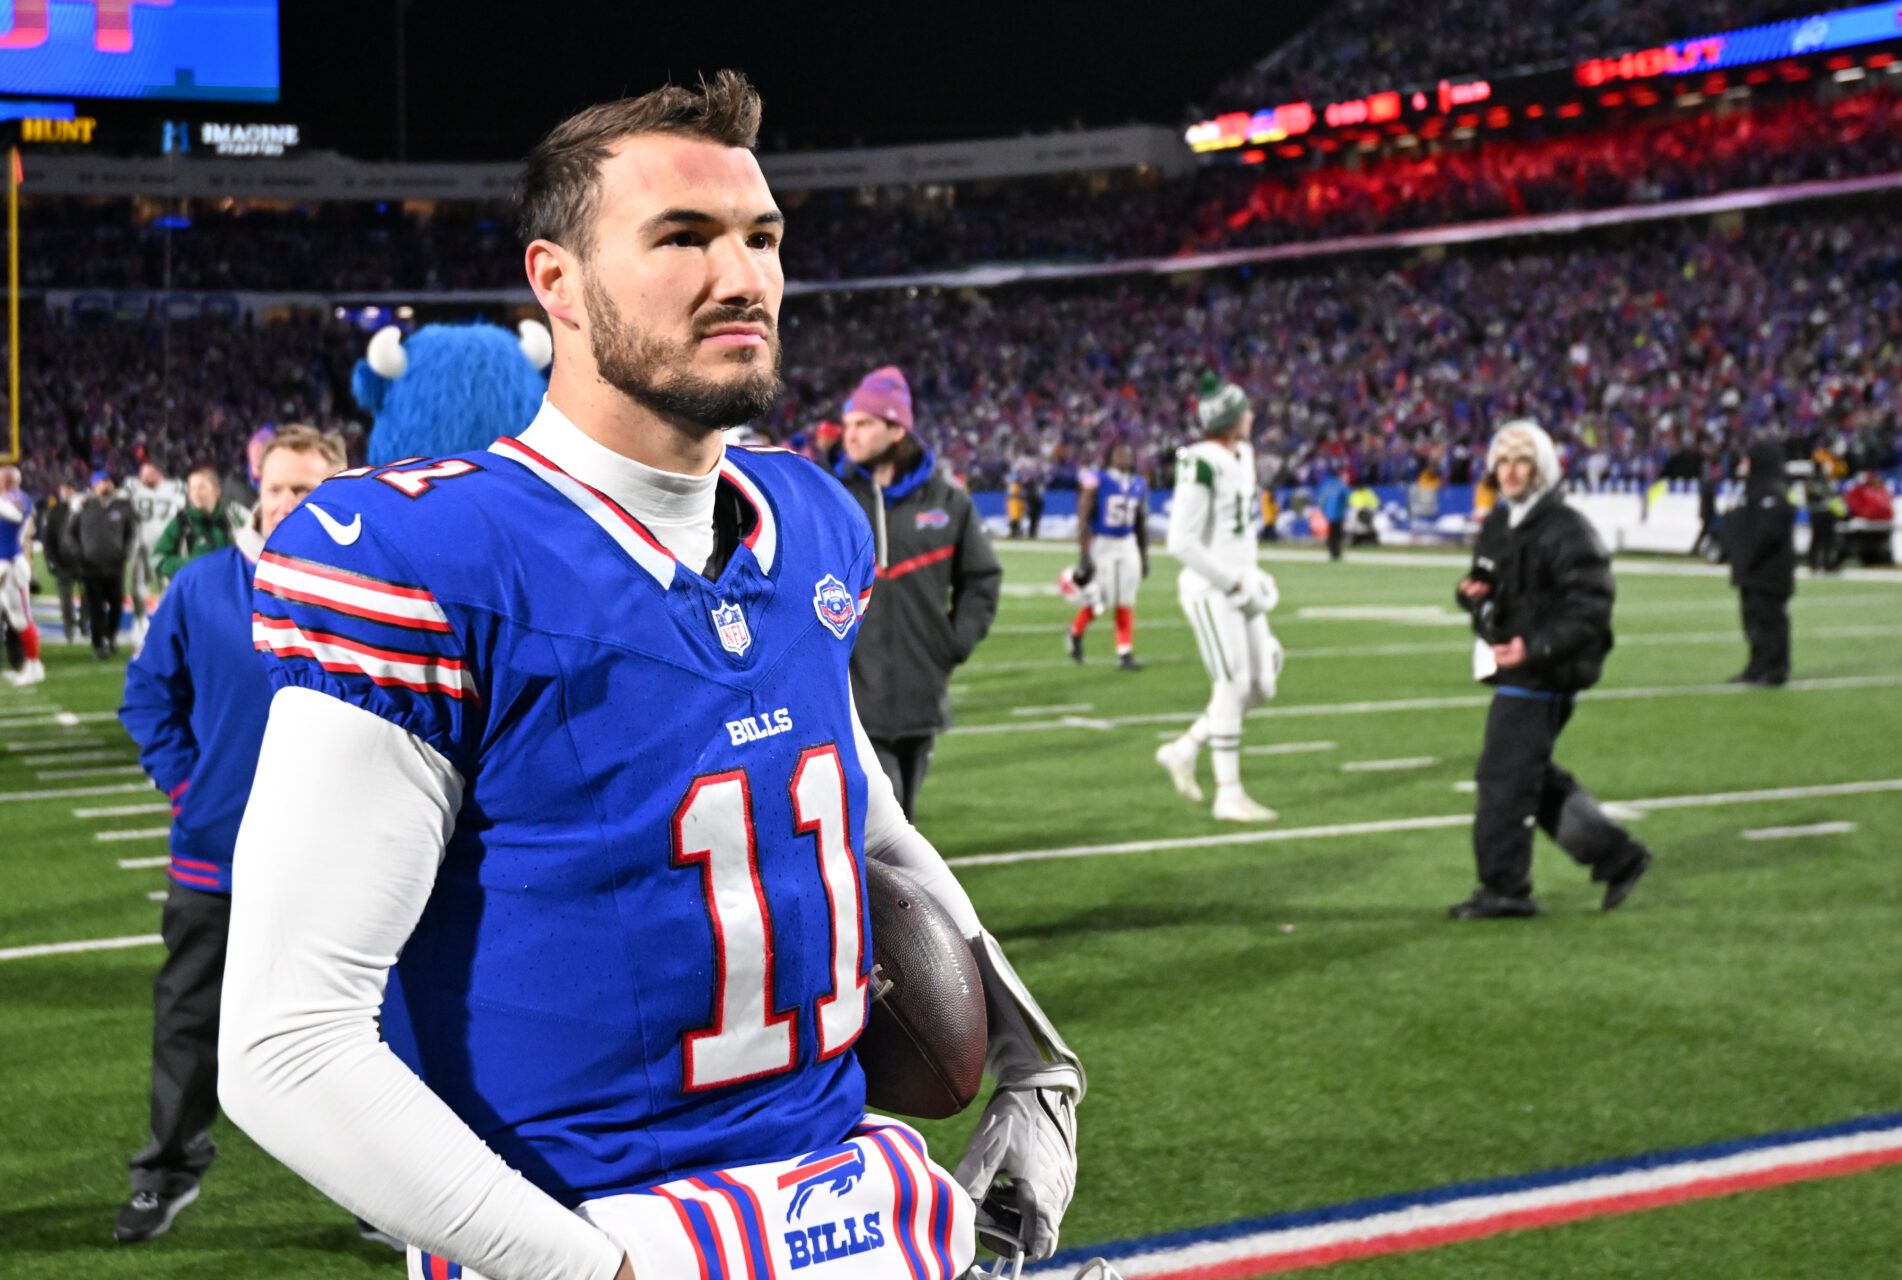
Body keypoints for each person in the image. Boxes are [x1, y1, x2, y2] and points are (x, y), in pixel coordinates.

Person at [219, 74, 1080, 1280]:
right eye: (683, 237)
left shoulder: (812, 520)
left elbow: (865, 822)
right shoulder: (433, 560)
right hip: (601, 1229)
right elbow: (284, 1040)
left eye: (761, 236)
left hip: (855, 1205)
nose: (742, 276)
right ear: (556, 282)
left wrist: (1037, 1058)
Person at [113, 427, 351, 1242]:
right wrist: (193, 794)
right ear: (257, 488)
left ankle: (383, 1197)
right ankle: (166, 1174)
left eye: (308, 490)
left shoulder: (370, 590)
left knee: (361, 1034)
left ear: (340, 490)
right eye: (278, 488)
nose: (288, 504)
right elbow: (146, 698)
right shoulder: (203, 585)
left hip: (340, 862)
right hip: (217, 859)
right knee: (189, 1020)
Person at [1450, 420, 1652, 920]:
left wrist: (1534, 649)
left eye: (1522, 460)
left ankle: (1505, 888)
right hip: (1514, 665)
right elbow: (1487, 581)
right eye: (1502, 461)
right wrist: (1469, 594)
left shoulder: (1566, 528)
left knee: (1502, 776)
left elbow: (1590, 608)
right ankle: (1616, 855)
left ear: (1542, 467)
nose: (1510, 471)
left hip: (1544, 672)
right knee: (1528, 777)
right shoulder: (1501, 523)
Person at [837, 363, 1003, 820]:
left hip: (921, 692)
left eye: (863, 424)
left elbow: (982, 579)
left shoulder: (949, 503)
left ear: (896, 429)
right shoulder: (830, 496)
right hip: (852, 695)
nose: (850, 435)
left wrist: (953, 643)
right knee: (882, 824)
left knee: (904, 814)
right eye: (848, 424)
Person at [1153, 375, 1284, 823]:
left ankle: (1184, 748)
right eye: (1244, 410)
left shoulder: (1242, 454)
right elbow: (1181, 542)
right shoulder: (1201, 462)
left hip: (1241, 584)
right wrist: (1231, 580)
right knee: (1230, 684)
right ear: (1228, 419)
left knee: (1261, 685)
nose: (1251, 415)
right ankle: (1228, 793)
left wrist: (1251, 575)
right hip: (1212, 589)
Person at [1066, 439, 1147, 670]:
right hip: (1103, 542)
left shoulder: (1139, 482)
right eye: (1120, 453)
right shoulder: (1096, 478)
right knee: (1103, 598)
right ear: (1110, 456)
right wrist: (1083, 551)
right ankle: (1075, 632)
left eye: (1128, 453)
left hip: (1128, 542)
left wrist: (1144, 553)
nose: (1125, 457)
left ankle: (1124, 652)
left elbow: (1140, 521)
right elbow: (1083, 514)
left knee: (1127, 598)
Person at [1722, 439, 1794, 686]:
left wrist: (1748, 555)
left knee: (1770, 622)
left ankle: (1775, 669)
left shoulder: (1771, 492)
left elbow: (1769, 533)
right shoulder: (1753, 491)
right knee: (1753, 622)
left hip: (1769, 572)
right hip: (1753, 572)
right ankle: (1757, 666)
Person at [64, 469, 136, 660]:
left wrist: (125, 552)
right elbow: (70, 533)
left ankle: (111, 635)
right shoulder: (83, 506)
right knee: (95, 607)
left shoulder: (123, 506)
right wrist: (78, 554)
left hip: (115, 564)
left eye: (109, 481)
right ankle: (98, 644)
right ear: (94, 486)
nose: (107, 485)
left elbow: (131, 532)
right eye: (102, 482)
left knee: (116, 604)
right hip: (90, 566)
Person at [124, 461, 187, 648]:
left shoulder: (174, 487)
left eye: (150, 472)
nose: (146, 476)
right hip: (142, 544)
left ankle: (165, 625)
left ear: (160, 473)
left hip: (167, 546)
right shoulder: (132, 487)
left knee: (167, 588)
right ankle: (140, 621)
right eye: (143, 473)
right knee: (136, 586)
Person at [0, 466, 45, 686]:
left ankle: (34, 665)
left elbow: (16, 515)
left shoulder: (18, 497)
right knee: (16, 620)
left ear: (7, 481)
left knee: (21, 620)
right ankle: (30, 664)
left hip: (11, 564)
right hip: (3, 564)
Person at [150, 467, 236, 580]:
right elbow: (157, 559)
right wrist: (191, 567)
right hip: (194, 593)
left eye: (202, 487)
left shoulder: (232, 520)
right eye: (192, 488)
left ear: (217, 491)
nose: (196, 493)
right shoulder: (181, 523)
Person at [37, 481, 81, 644]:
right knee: (65, 598)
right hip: (62, 560)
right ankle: (69, 627)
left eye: (69, 489)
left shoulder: (85, 507)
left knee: (88, 595)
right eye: (63, 490)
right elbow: (48, 537)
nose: (66, 493)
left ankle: (83, 623)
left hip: (83, 561)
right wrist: (50, 560)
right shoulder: (55, 511)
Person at [1314, 469, 1351, 561]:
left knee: (1331, 533)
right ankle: (1336, 553)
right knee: (1337, 534)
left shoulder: (1324, 485)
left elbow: (1320, 499)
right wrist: (1345, 508)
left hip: (1328, 513)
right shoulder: (1340, 485)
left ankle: (1332, 552)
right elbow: (1347, 497)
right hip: (1338, 513)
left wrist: (1324, 510)